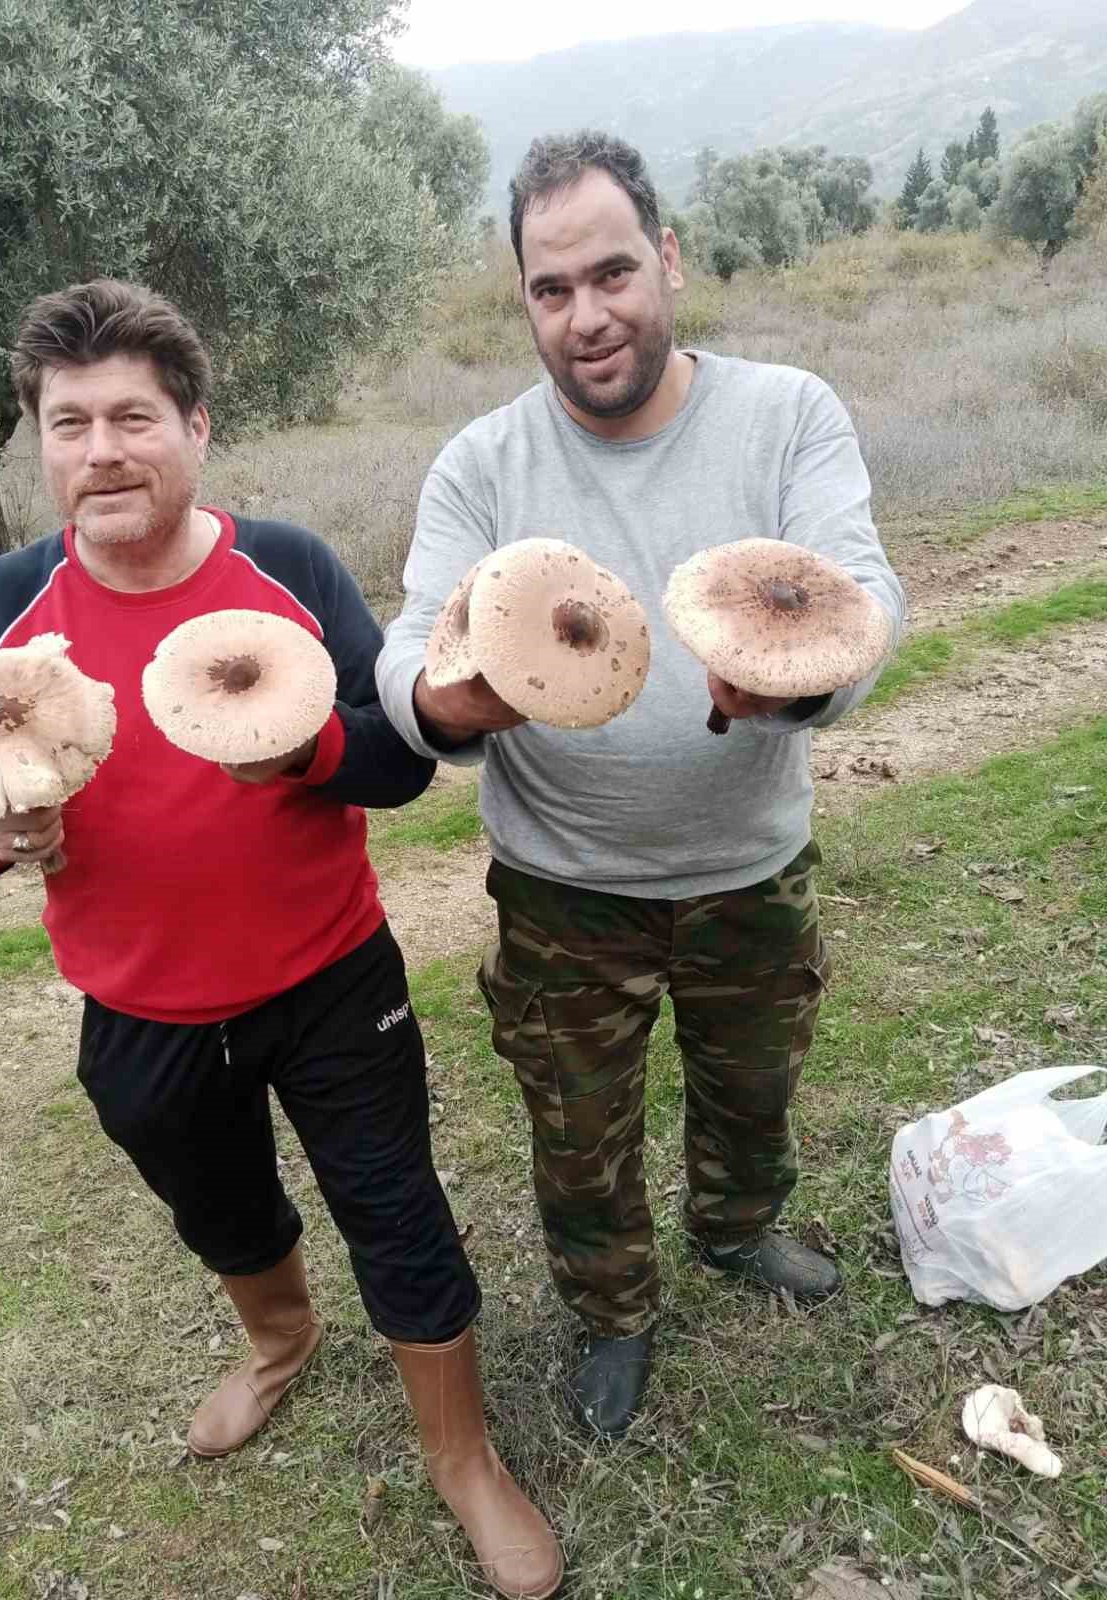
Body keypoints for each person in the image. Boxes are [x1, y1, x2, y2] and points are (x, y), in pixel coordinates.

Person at [0, 280, 562, 1600]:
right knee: (216, 1202)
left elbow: (395, 765)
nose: (102, 451)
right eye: (69, 421)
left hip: (331, 981)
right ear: (40, 440)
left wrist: (308, 748)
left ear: (197, 426)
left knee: (396, 1208)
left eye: (134, 417)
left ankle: (464, 1456)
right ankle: (279, 1342)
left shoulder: (291, 569)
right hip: (136, 1008)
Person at [376, 132, 906, 1440]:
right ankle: (613, 1310)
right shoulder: (483, 466)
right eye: (551, 291)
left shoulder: (787, 413)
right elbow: (406, 654)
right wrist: (450, 703)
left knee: (753, 1087)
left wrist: (793, 685)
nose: (588, 315)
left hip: (750, 868)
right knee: (579, 1128)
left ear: (667, 258)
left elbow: (861, 588)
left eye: (612, 273)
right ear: (525, 302)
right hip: (565, 892)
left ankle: (737, 1229)